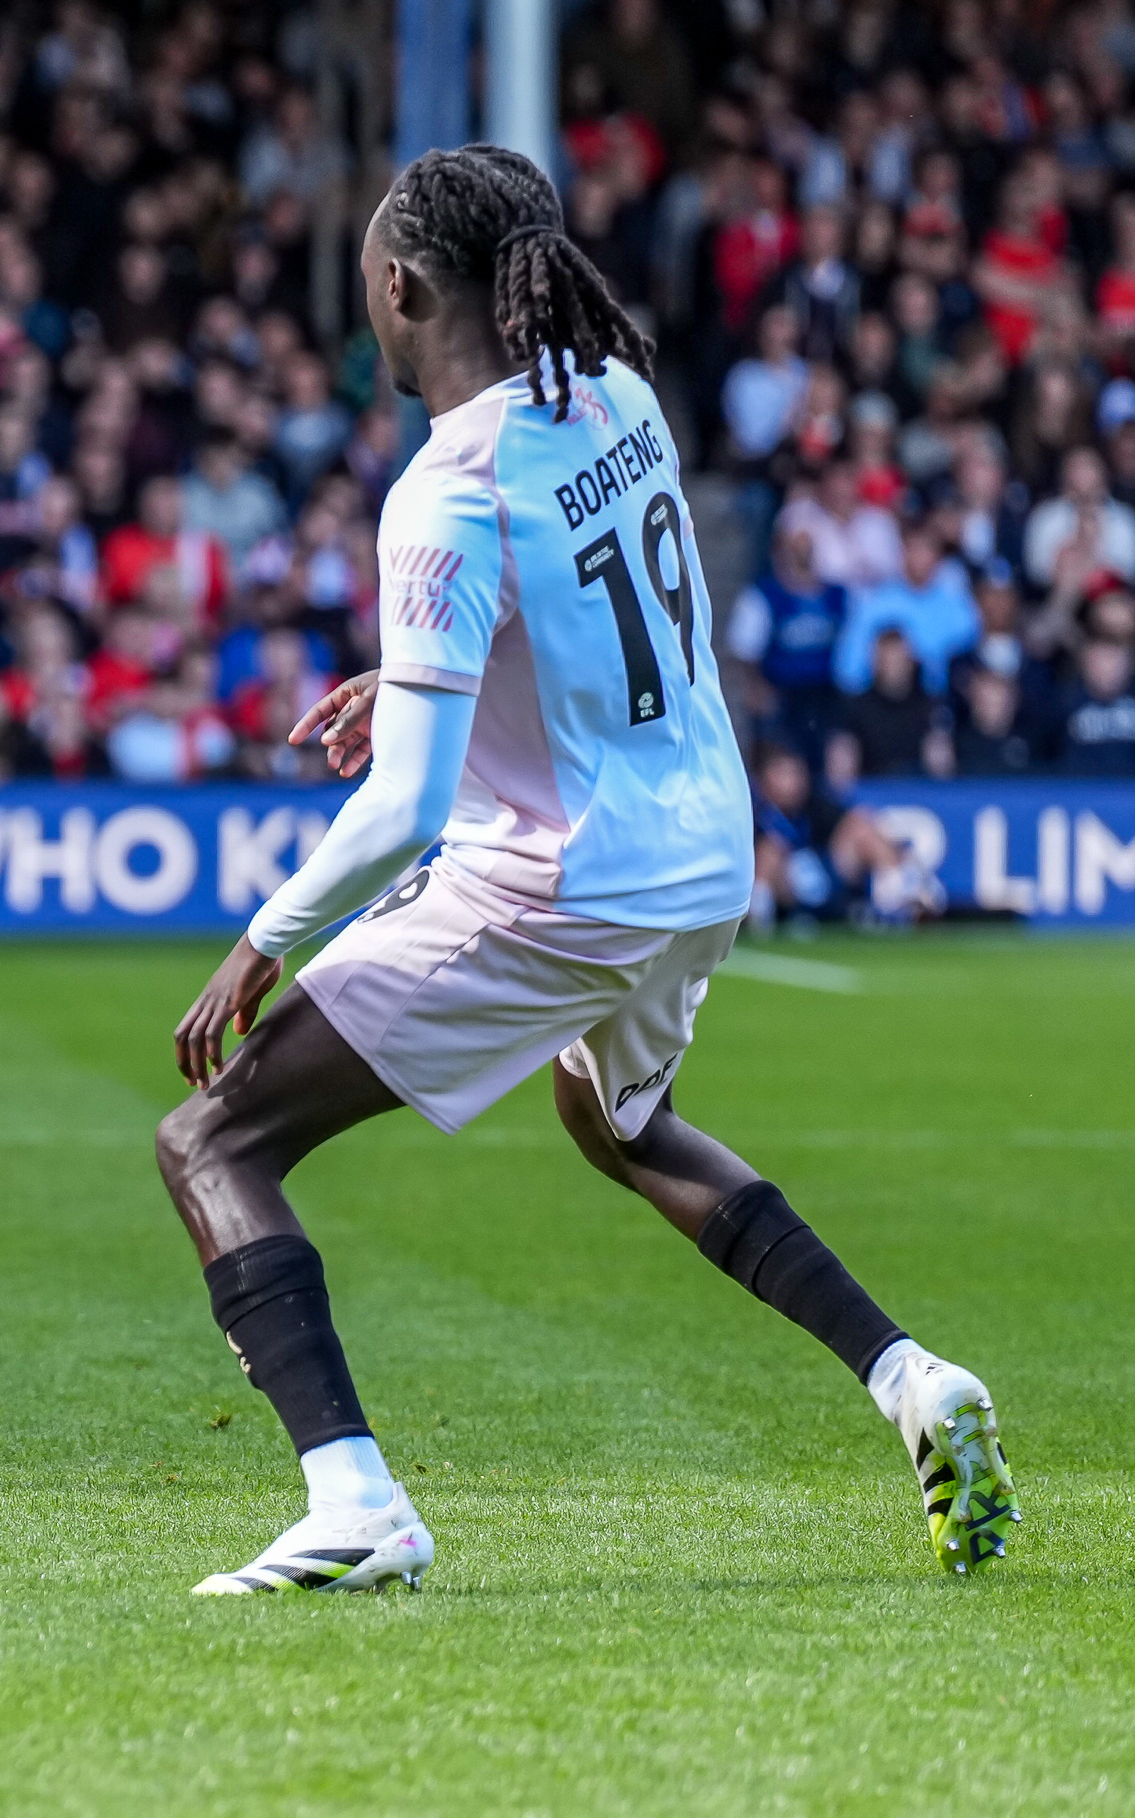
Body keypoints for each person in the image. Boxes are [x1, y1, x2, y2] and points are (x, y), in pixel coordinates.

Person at [155, 146, 1017, 1595]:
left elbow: (405, 807)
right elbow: (572, 596)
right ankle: (912, 1378)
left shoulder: (444, 485)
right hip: (698, 851)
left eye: (370, 275)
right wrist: (420, 669)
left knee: (214, 1143)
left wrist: (264, 937)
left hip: (559, 880)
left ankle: (354, 1501)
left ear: (403, 286)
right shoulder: (612, 393)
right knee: (620, 1122)